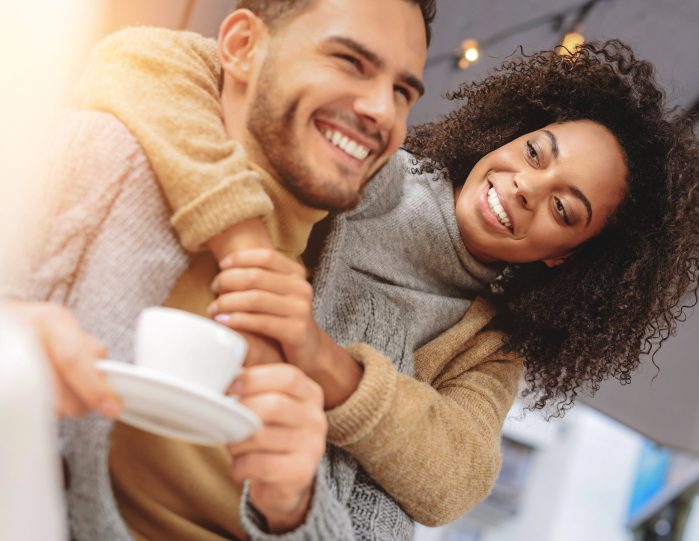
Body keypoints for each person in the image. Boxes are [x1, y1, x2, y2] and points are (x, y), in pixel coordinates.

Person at [58, 17, 699, 541]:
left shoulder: (486, 340)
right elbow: (144, 61)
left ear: (566, 256)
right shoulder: (367, 168)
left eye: (562, 207)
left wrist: (327, 362)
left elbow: (454, 478)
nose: (524, 187)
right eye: (534, 153)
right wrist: (244, 242)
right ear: (508, 134)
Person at [5, 0, 435, 539]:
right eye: (350, 60)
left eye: (403, 91)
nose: (381, 110)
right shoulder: (94, 160)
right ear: (240, 47)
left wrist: (296, 509)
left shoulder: (372, 329)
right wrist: (12, 343)